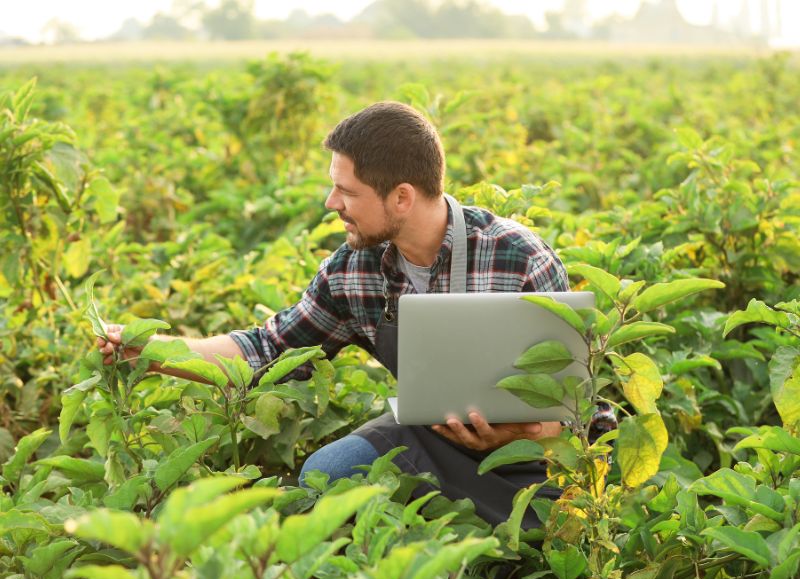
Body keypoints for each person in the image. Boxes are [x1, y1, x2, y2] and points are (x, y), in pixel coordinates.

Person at [98, 101, 610, 527]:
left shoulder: (518, 258)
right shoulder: (353, 269)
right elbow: (269, 349)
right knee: (327, 476)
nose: (330, 202)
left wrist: (520, 435)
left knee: (555, 529)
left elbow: (578, 415)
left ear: (402, 197)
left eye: (346, 191)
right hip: (428, 436)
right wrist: (151, 350)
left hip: (533, 458)